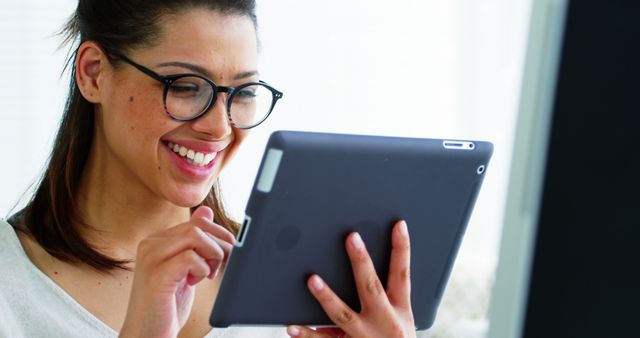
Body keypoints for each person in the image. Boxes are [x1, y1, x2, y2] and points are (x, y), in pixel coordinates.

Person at [0, 1, 416, 337]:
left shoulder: (303, 288)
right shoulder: (12, 291)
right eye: (184, 86)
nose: (220, 126)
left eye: (243, 92)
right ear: (93, 74)